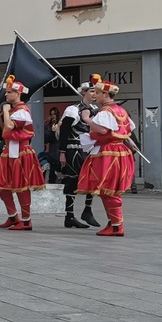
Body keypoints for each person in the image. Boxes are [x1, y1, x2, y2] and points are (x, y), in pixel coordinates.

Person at [77, 79, 134, 236]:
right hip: (119, 151)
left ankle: (117, 226)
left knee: (108, 188)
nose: (95, 95)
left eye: (98, 92)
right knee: (107, 189)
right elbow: (127, 130)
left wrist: (87, 119)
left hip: (108, 153)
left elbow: (102, 131)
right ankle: (112, 223)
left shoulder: (106, 112)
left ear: (106, 94)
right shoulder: (120, 110)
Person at [0, 75, 46, 231]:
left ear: (18, 93)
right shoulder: (15, 110)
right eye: (7, 92)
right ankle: (13, 216)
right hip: (9, 150)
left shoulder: (22, 111)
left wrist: (5, 110)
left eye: (9, 92)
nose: (6, 95)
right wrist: (0, 119)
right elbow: (5, 130)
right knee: (1, 185)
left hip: (21, 151)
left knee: (21, 185)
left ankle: (26, 219)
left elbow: (10, 127)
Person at [58, 76, 102, 229]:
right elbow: (64, 131)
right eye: (91, 91)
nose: (95, 94)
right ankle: (69, 215)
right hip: (73, 149)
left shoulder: (95, 110)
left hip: (90, 149)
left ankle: (87, 210)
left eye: (96, 91)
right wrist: (62, 152)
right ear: (84, 93)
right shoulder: (73, 109)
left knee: (93, 179)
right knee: (73, 180)